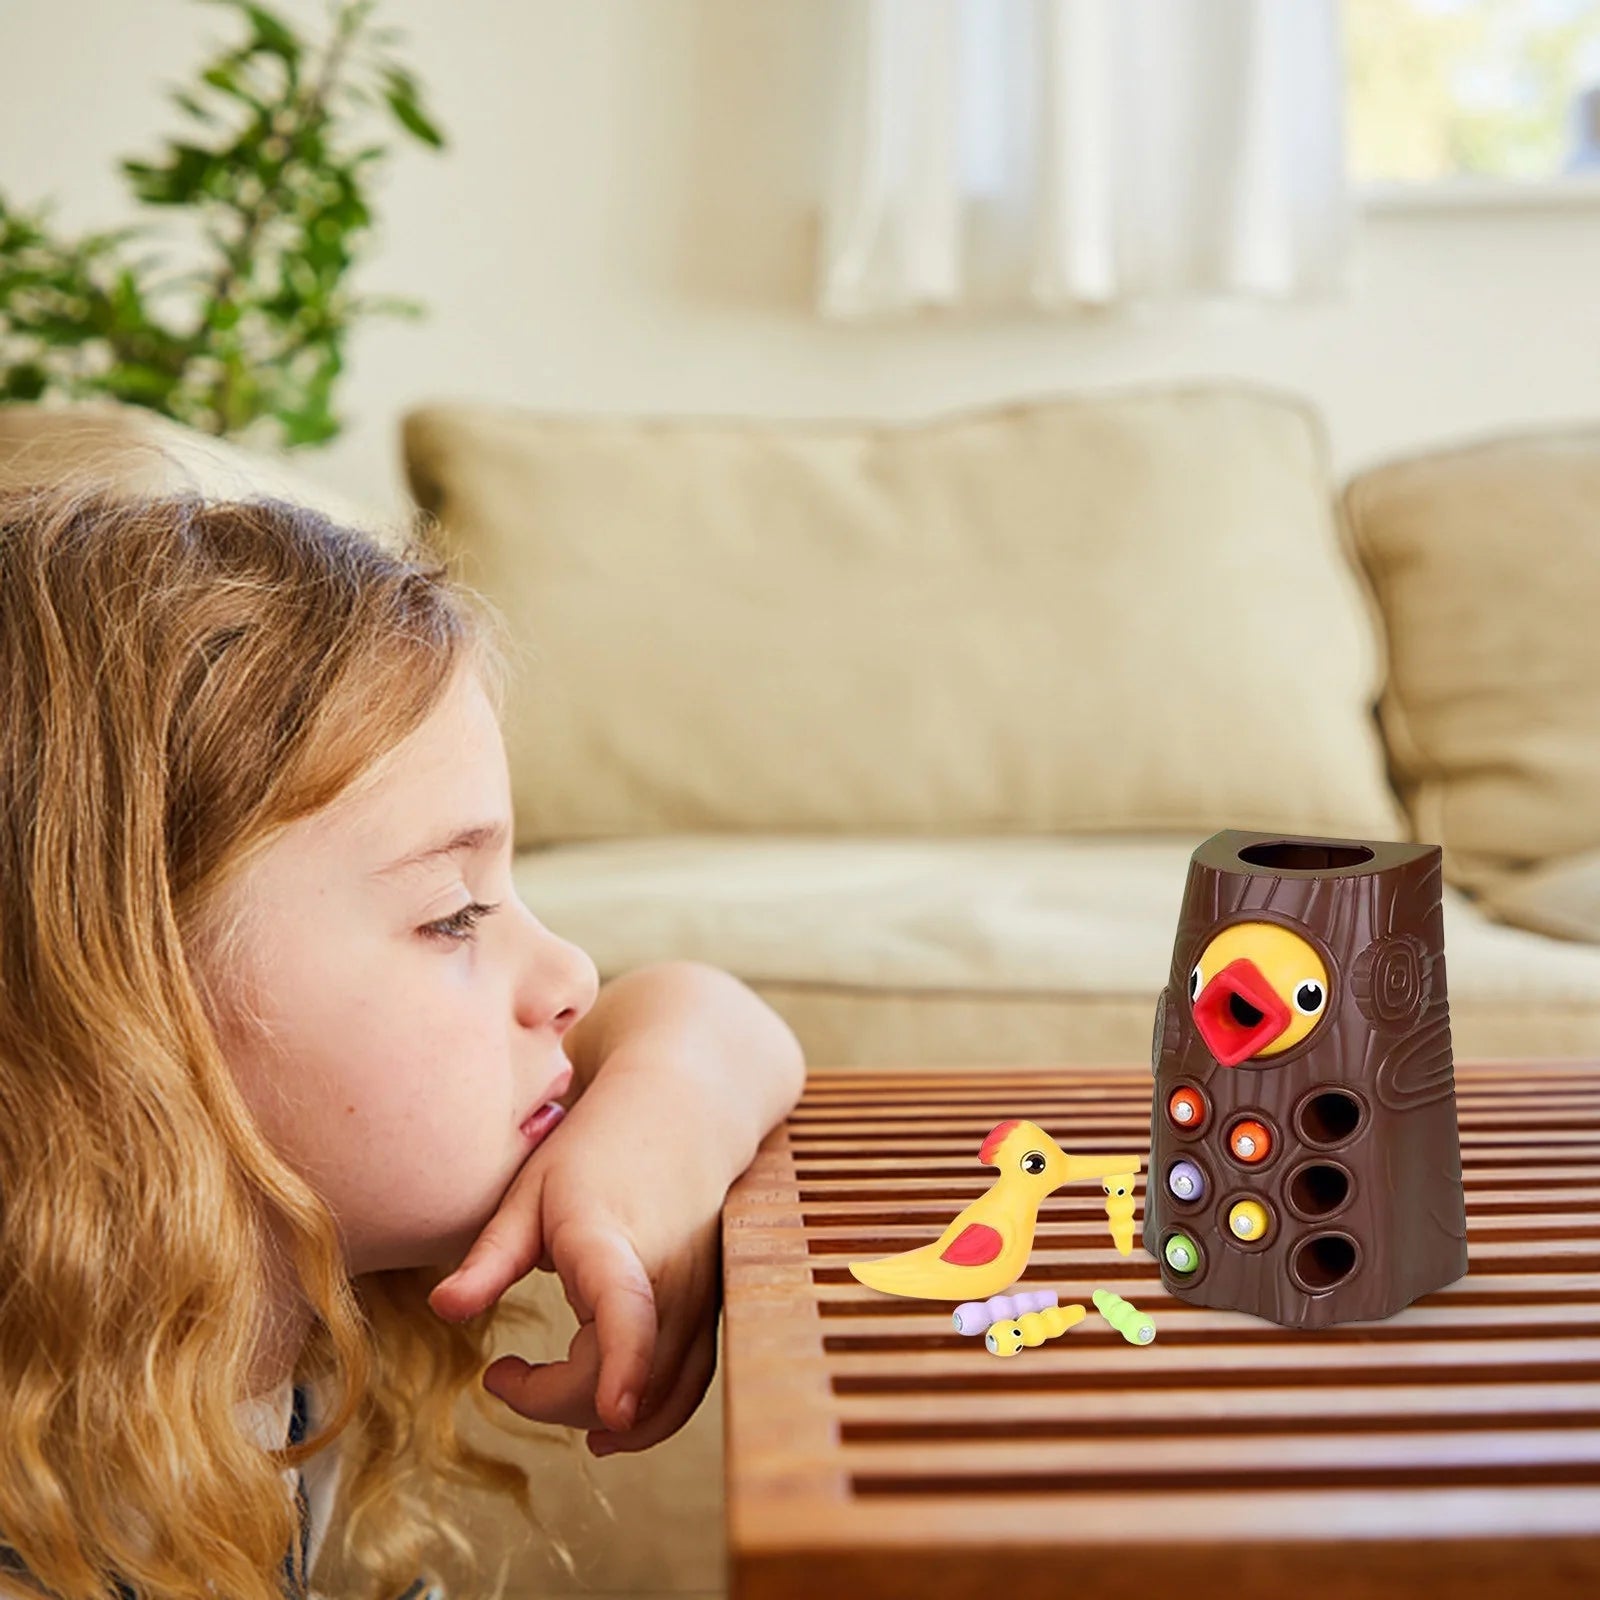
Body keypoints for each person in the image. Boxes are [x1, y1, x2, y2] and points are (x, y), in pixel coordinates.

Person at [0, 482, 807, 1600]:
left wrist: (658, 1133)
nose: (572, 973)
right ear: (126, 1012)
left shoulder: (218, 1326)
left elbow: (715, 1019)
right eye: (452, 914)